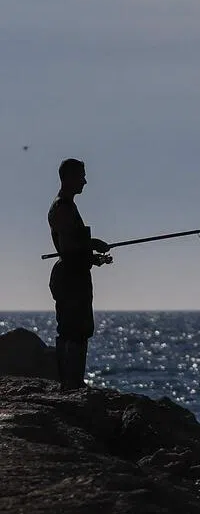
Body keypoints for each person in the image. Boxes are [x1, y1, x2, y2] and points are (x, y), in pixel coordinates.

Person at [47, 158, 112, 390]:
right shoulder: (62, 207)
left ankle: (73, 381)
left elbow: (74, 248)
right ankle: (70, 383)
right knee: (72, 330)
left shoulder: (67, 206)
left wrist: (94, 257)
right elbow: (68, 248)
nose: (84, 181)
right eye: (81, 176)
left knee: (79, 329)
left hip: (74, 276)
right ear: (69, 177)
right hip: (70, 279)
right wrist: (93, 244)